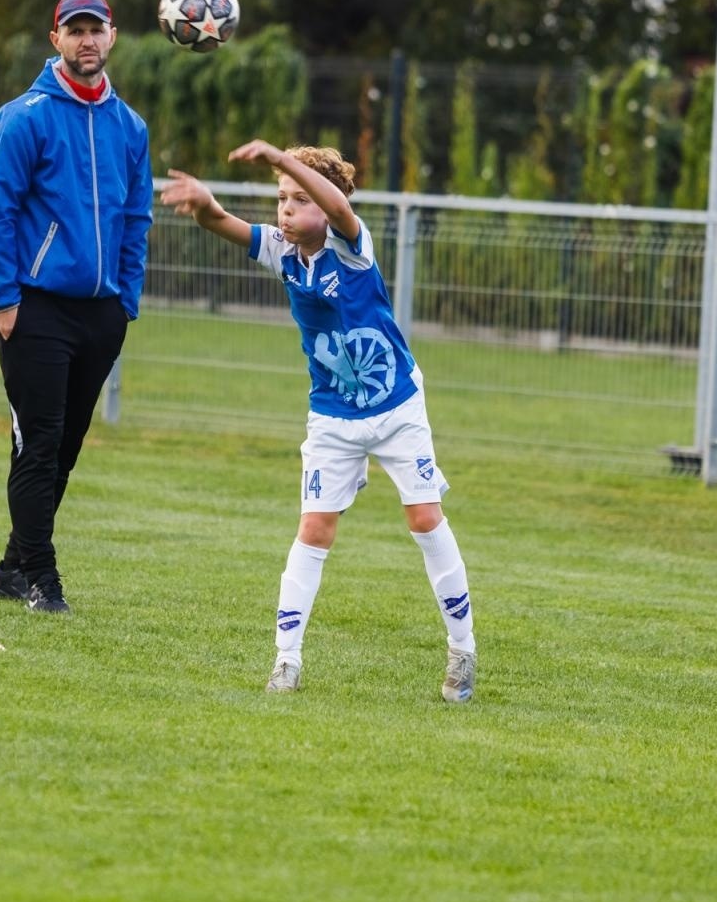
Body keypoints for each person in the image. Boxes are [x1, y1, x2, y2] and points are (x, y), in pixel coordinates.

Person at [160, 141, 478, 702]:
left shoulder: (352, 245)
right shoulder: (283, 252)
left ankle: (462, 651)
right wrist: (206, 203)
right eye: (282, 199)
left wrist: (284, 160)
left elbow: (337, 210)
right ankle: (286, 661)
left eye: (298, 199)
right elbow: (221, 222)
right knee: (313, 530)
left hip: (397, 406)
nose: (286, 209)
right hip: (332, 416)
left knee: (425, 519)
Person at [0, 0, 151, 615]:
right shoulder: (25, 117)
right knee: (38, 441)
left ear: (112, 36)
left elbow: (137, 217)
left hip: (101, 314)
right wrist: (4, 301)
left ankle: (9, 567)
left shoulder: (130, 126)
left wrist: (124, 299)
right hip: (35, 308)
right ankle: (42, 582)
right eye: (73, 30)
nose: (85, 41)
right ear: (55, 39)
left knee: (66, 446)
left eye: (95, 30)